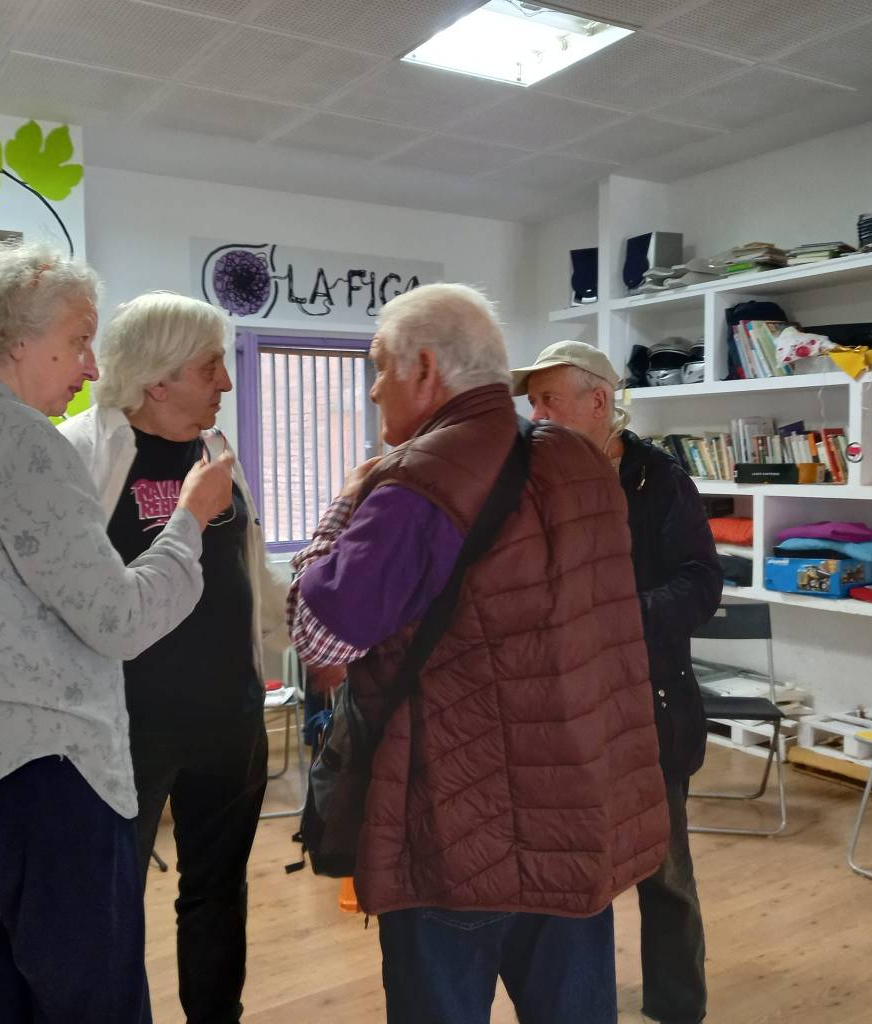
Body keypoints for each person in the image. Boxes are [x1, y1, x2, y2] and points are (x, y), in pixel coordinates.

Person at [0, 240, 234, 1024]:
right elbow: (120, 619)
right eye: (79, 341)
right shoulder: (25, 442)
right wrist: (190, 521)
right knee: (91, 1000)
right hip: (41, 774)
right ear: (14, 337)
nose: (93, 368)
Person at [287, 283, 669, 1024]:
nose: (374, 390)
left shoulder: (414, 482)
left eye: (380, 367)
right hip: (576, 813)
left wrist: (345, 504)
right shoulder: (582, 461)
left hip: (458, 830)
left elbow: (318, 636)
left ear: (425, 369)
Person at [59, 291, 288, 1024]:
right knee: (104, 902)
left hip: (230, 722)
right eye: (211, 366)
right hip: (122, 733)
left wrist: (308, 615)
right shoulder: (75, 453)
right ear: (158, 380)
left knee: (218, 892)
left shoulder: (217, 453)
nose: (227, 382)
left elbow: (248, 569)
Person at [512, 340, 723, 1024]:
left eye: (549, 400)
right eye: (532, 402)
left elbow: (701, 584)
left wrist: (618, 617)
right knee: (572, 869)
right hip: (559, 709)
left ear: (599, 401)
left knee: (665, 871)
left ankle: (678, 1005)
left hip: (648, 706)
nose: (536, 416)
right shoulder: (529, 478)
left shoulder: (660, 481)